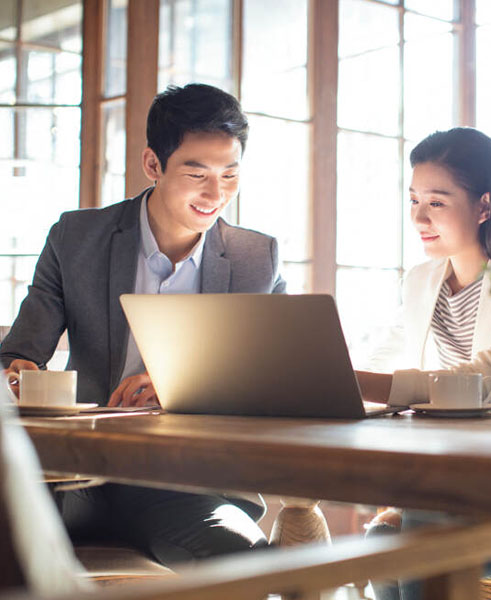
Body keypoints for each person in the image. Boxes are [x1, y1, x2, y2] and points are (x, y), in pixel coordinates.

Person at [0, 83, 284, 566]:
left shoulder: (256, 258)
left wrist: (180, 386)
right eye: (197, 173)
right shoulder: (76, 237)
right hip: (77, 478)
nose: (216, 194)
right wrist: (18, 375)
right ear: (153, 165)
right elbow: (18, 354)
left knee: (246, 561)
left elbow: (272, 380)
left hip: (187, 485)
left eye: (229, 175)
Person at [354, 127, 491, 600]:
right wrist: (324, 375)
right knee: (382, 541)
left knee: (419, 542)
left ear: (484, 205)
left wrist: (352, 380)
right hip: (466, 487)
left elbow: (487, 380)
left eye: (436, 202)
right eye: (413, 199)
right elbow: (380, 358)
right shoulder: (422, 281)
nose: (418, 216)